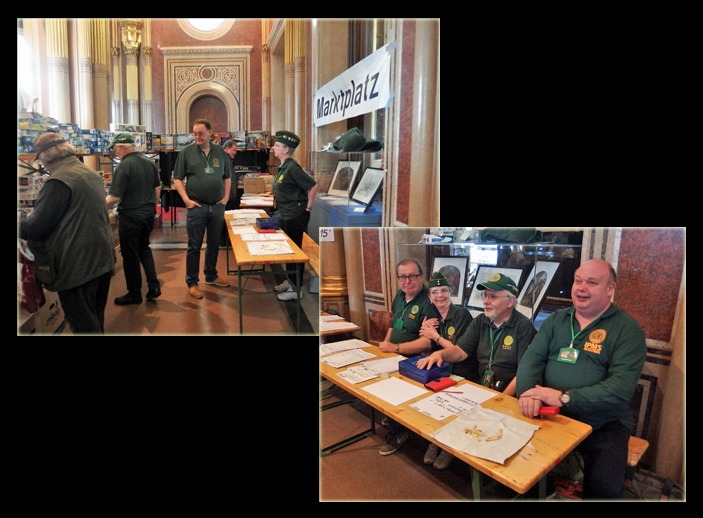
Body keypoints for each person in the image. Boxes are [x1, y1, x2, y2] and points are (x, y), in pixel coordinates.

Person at [516, 259, 647, 499]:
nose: (581, 287)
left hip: (602, 423)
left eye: (592, 282)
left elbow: (619, 389)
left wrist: (565, 398)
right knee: (517, 466)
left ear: (610, 289)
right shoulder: (557, 319)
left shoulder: (627, 330)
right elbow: (531, 359)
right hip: (549, 414)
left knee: (604, 487)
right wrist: (527, 393)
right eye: (578, 280)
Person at [417, 273, 537, 469]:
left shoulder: (524, 327)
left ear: (510, 302)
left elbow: (524, 372)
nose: (486, 301)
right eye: (485, 296)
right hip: (483, 385)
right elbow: (460, 351)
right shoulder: (481, 321)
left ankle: (451, 448)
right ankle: (440, 442)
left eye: (493, 296)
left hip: (509, 392)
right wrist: (442, 355)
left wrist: (501, 400)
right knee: (446, 401)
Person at [19, 132, 115, 333]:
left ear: (46, 157)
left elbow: (37, 227)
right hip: (101, 259)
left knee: (83, 325)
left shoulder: (58, 181)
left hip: (76, 266)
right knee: (95, 318)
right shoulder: (88, 173)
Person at [377, 258, 437, 456]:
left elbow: (427, 342)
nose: (407, 281)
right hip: (393, 353)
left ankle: (398, 431)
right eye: (403, 276)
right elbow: (394, 325)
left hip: (413, 359)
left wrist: (395, 347)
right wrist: (384, 347)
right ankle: (391, 416)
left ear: (421, 277)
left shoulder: (428, 303)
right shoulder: (401, 295)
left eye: (412, 276)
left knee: (393, 388)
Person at [417, 271, 474, 469]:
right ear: (429, 296)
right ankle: (435, 441)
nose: (440, 295)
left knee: (454, 409)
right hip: (440, 370)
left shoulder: (462, 315)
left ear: (450, 292)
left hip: (462, 370)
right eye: (435, 292)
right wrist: (425, 331)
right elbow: (427, 347)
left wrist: (434, 335)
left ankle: (448, 447)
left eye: (443, 291)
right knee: (432, 406)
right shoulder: (430, 316)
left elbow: (458, 350)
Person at [172, 119, 232, 299]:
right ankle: (192, 282)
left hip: (217, 206)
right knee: (194, 246)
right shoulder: (186, 152)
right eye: (195, 133)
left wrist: (226, 197)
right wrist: (186, 200)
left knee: (214, 244)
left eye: (201, 133)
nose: (197, 136)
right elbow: (177, 178)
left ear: (210, 133)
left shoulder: (220, 152)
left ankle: (211, 275)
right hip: (196, 206)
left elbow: (227, 176)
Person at [105, 133, 162, 305]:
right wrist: (152, 207)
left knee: (130, 256)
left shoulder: (123, 166)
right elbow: (157, 188)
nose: (115, 153)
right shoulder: (149, 163)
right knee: (144, 249)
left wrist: (97, 207)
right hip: (147, 215)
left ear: (122, 147)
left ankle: (134, 294)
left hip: (130, 217)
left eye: (115, 149)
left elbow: (114, 197)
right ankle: (154, 286)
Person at [270, 130, 319, 301]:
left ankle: (296, 289)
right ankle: (290, 281)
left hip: (295, 215)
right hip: (286, 213)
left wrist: (309, 206)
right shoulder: (283, 166)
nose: (273, 147)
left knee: (295, 251)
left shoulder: (292, 167)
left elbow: (312, 185)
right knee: (289, 250)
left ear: (285, 149)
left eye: (276, 145)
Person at [220, 139, 243, 246]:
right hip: (226, 197)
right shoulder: (225, 160)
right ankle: (224, 241)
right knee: (224, 221)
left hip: (228, 196)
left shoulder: (226, 160)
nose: (235, 152)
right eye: (234, 150)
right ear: (227, 149)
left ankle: (224, 240)